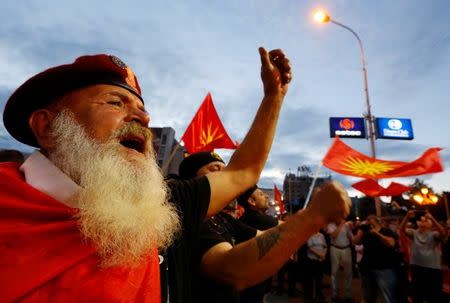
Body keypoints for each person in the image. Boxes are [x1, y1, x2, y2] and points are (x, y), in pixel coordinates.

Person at [0, 47, 294, 303]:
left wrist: (273, 97)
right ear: (47, 128)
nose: (143, 118)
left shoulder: (158, 211)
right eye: (115, 102)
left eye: (143, 109)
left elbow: (242, 172)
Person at [178, 151, 351, 303]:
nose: (226, 178)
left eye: (226, 171)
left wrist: (301, 226)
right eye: (215, 169)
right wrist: (312, 217)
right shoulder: (188, 219)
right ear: (191, 181)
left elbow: (262, 237)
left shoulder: (224, 219)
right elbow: (232, 268)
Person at [399, 210, 446, 303]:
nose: (422, 222)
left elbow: (443, 233)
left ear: (430, 225)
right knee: (418, 294)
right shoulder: (414, 233)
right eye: (420, 220)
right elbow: (401, 229)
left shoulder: (433, 234)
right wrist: (407, 217)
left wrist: (432, 218)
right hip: (417, 267)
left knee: (434, 294)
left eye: (425, 221)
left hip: (432, 268)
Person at [353, 215, 399, 303]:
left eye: (370, 219)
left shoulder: (386, 231)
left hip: (383, 268)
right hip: (367, 268)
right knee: (368, 296)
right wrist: (361, 230)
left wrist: (377, 234)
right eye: (367, 219)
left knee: (386, 297)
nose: (368, 221)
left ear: (377, 220)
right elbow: (355, 241)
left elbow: (391, 243)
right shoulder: (365, 232)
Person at [326, 219, 353, 302]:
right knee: (334, 272)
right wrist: (341, 225)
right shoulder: (330, 225)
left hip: (346, 249)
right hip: (335, 248)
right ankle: (334, 294)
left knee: (348, 272)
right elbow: (333, 235)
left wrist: (350, 229)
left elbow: (351, 237)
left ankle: (348, 295)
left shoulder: (347, 225)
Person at [303, 231, 328, 302]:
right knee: (310, 278)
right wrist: (320, 255)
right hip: (312, 260)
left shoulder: (321, 235)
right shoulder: (309, 234)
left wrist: (324, 254)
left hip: (320, 260)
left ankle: (319, 294)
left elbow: (325, 246)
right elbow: (310, 248)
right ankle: (309, 296)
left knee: (319, 278)